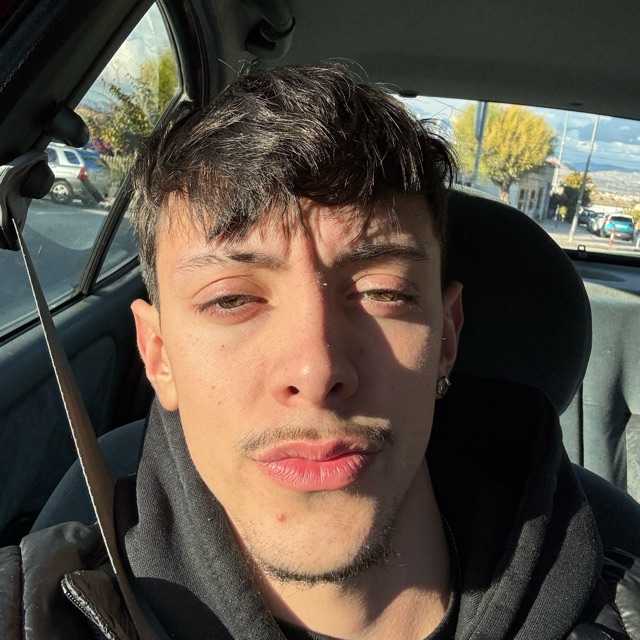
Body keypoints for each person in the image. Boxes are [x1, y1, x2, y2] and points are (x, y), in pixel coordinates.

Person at [2, 64, 640, 640]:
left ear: (446, 337)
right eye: (231, 299)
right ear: (159, 355)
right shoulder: (34, 611)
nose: (317, 369)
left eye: (383, 291)